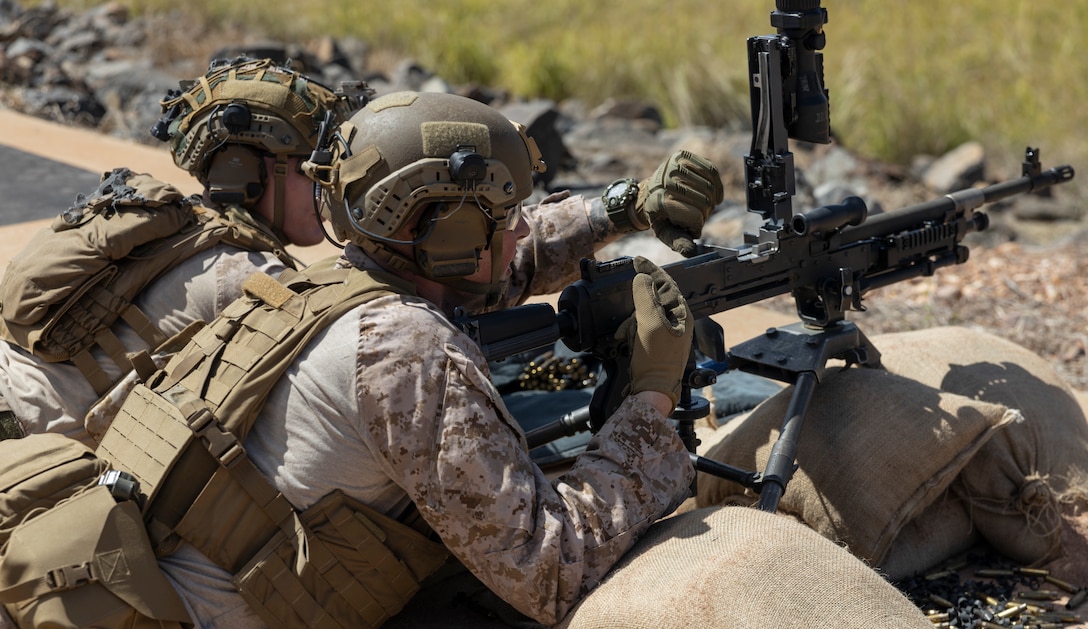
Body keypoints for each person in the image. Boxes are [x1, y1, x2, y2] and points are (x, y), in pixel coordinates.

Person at [0, 90, 715, 629]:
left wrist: (615, 210)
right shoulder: (409, 354)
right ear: (453, 234)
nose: (523, 226)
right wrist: (650, 399)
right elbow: (551, 568)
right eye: (504, 213)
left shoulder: (322, 291)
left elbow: (478, 270)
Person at [0, 55, 723, 451]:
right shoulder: (241, 282)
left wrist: (614, 209)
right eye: (310, 164)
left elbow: (432, 265)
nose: (333, 180)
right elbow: (429, 280)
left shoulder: (175, 230)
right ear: (250, 174)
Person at [0, 55, 372, 447]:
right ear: (240, 169)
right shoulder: (248, 277)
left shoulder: (179, 223)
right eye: (310, 167)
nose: (329, 183)